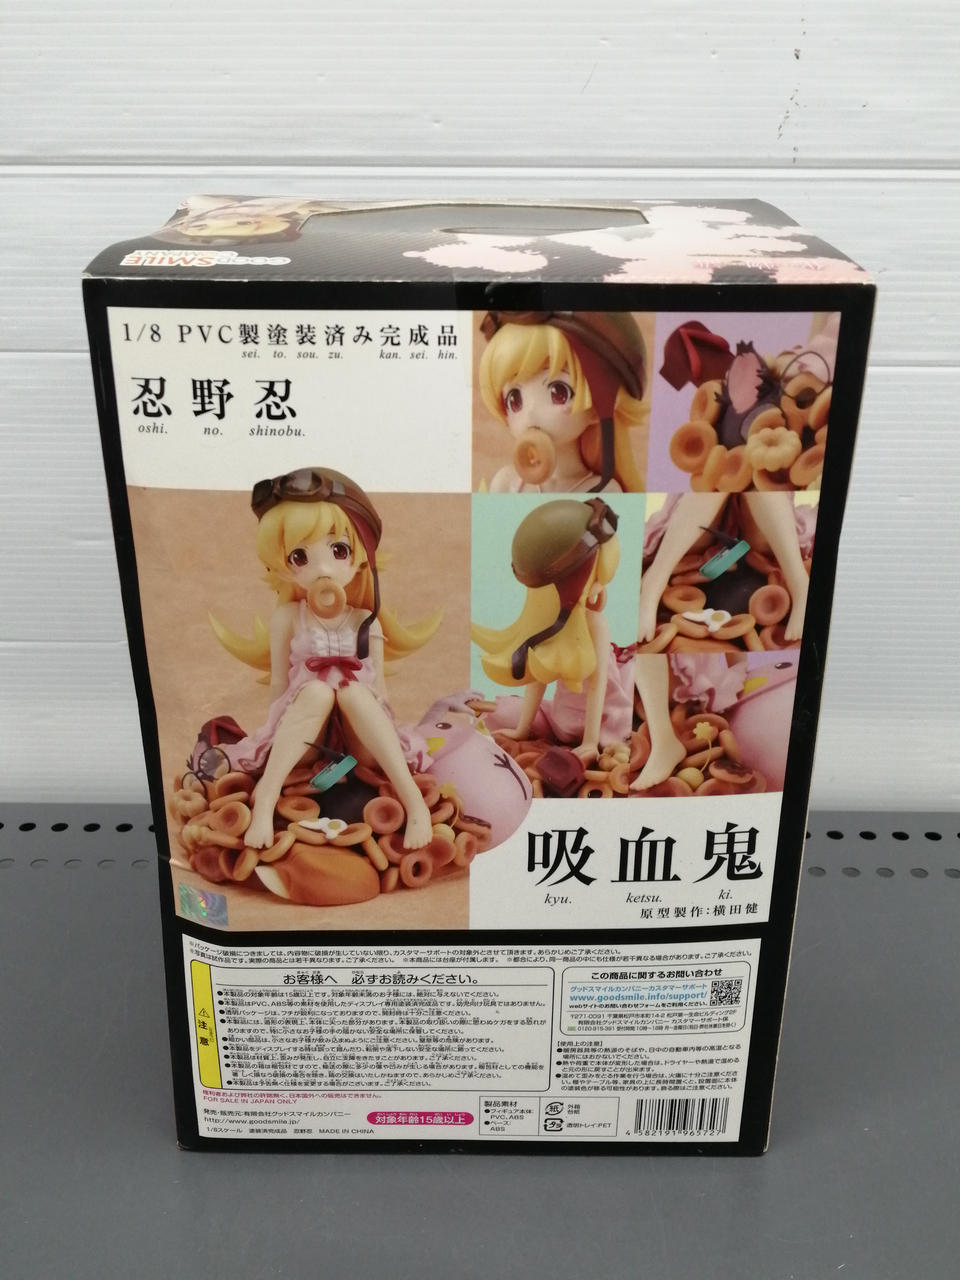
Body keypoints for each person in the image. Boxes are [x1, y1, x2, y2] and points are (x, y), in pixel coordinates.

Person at [212, 467, 442, 850]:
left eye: (339, 551)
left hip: (361, 741)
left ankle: (413, 800)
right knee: (318, 692)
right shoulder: (289, 618)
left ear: (361, 558)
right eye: (300, 557)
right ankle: (266, 797)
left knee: (355, 693)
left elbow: (380, 689)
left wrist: (383, 725)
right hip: (306, 736)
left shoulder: (366, 621)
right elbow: (280, 684)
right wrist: (269, 735)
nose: (322, 570)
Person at [478, 311, 648, 493]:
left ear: (598, 407)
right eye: (514, 400)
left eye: (559, 392)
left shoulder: (604, 491)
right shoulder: (506, 484)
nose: (531, 413)